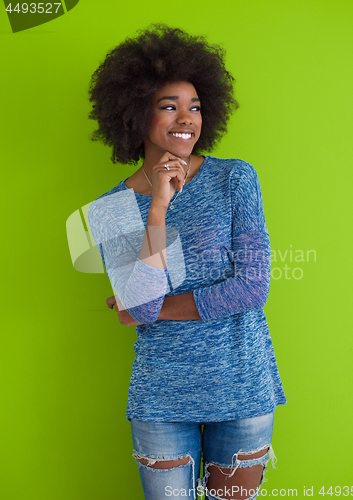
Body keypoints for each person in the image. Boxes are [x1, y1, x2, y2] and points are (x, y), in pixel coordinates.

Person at [87, 24, 287, 500]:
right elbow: (140, 308)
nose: (187, 118)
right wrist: (158, 206)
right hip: (162, 398)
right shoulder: (110, 211)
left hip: (243, 384)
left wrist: (145, 307)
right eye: (169, 105)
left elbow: (252, 288)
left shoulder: (234, 178)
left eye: (194, 106)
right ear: (136, 115)